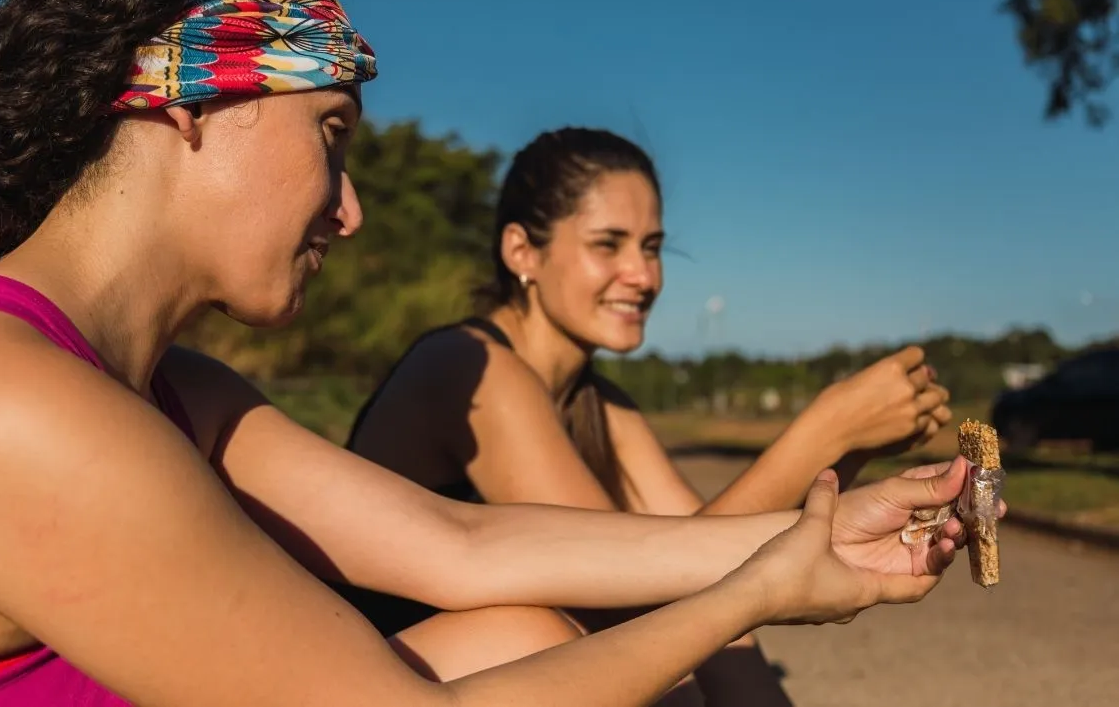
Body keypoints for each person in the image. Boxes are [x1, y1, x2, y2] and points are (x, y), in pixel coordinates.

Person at [0, 0, 980, 707]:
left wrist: (821, 532)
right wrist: (758, 592)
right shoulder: (2, 400)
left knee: (520, 633)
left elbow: (459, 544)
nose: (350, 207)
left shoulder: (160, 389)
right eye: (331, 136)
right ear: (187, 104)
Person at [337, 128, 954, 702]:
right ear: (523, 251)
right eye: (609, 244)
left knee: (720, 638)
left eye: (653, 248)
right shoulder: (469, 369)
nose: (643, 275)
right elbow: (631, 596)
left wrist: (844, 453)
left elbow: (707, 553)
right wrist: (824, 429)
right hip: (390, 681)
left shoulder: (599, 401)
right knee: (586, 636)